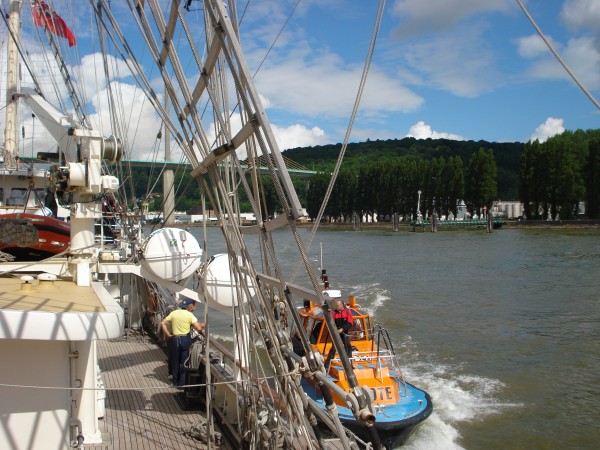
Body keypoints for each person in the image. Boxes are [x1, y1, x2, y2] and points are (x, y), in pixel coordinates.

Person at [161, 297, 205, 388]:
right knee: (184, 362)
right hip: (185, 339)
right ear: (190, 306)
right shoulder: (190, 315)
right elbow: (198, 328)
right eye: (194, 305)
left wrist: (168, 335)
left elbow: (163, 323)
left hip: (175, 339)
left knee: (175, 361)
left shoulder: (174, 313)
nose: (195, 306)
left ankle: (174, 382)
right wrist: (203, 331)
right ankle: (181, 384)